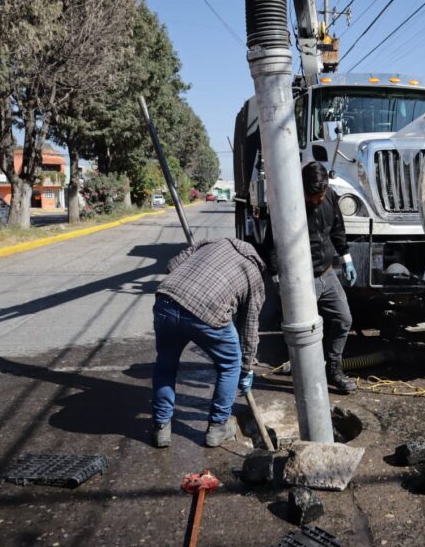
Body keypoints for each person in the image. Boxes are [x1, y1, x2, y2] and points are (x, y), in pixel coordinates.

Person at [151, 238, 265, 449]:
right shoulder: (254, 274)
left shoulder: (214, 242)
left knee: (165, 366)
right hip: (207, 312)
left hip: (166, 301)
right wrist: (247, 368)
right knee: (231, 364)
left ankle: (160, 427)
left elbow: (172, 265)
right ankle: (217, 427)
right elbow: (249, 327)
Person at [263, 161, 358, 394]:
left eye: (321, 195)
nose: (317, 200)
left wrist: (346, 258)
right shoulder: (286, 206)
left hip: (327, 274)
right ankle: (305, 377)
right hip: (301, 280)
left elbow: (337, 228)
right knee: (303, 332)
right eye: (312, 196)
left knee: (343, 320)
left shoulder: (331, 197)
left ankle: (334, 371)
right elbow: (270, 245)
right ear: (301, 188)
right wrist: (277, 279)